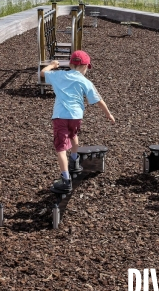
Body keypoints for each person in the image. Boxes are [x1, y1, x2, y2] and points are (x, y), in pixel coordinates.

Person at [40, 50, 115, 192]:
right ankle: (74, 161)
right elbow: (99, 100)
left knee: (61, 148)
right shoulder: (85, 81)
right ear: (86, 67)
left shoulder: (59, 75)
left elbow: (42, 73)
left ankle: (66, 180)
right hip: (76, 116)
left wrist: (52, 65)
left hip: (60, 116)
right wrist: (108, 114)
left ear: (70, 64)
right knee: (73, 135)